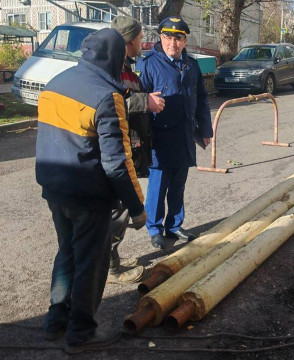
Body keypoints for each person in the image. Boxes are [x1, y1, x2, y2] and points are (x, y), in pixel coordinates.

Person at [36, 28, 146, 354]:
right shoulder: (106, 97)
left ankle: (55, 320)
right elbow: (117, 163)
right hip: (88, 197)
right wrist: (136, 206)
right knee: (90, 263)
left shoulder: (54, 84)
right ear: (114, 58)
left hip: (55, 191)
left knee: (66, 254)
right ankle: (81, 332)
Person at [140, 16, 213, 250]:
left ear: (184, 40)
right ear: (160, 38)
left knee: (178, 184)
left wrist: (205, 129)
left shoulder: (191, 64)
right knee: (158, 185)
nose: (173, 42)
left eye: (178, 38)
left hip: (184, 135)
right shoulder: (149, 63)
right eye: (167, 37)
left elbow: (201, 98)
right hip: (159, 138)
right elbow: (140, 102)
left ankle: (174, 225)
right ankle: (155, 229)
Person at [107, 16, 165, 284]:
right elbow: (109, 103)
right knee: (115, 210)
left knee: (119, 209)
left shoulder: (125, 65)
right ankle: (110, 268)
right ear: (129, 41)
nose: (143, 42)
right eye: (140, 38)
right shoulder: (110, 68)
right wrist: (146, 101)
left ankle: (112, 259)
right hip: (114, 153)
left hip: (127, 147)